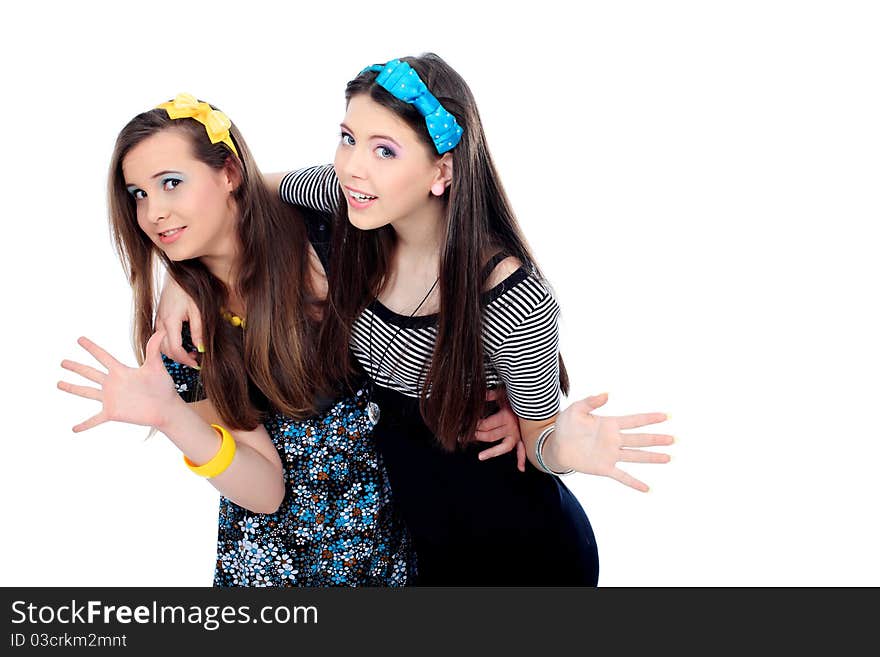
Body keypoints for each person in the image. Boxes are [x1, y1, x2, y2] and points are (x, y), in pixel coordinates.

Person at [158, 55, 674, 585]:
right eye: (347, 137)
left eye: (384, 150)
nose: (352, 164)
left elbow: (537, 440)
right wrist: (178, 282)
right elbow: (237, 199)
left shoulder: (504, 292)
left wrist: (563, 445)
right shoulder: (347, 202)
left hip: (519, 550)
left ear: (441, 171)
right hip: (417, 550)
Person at [57, 94, 425, 586]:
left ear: (229, 173)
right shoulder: (184, 336)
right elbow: (265, 490)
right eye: (138, 194)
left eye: (170, 183)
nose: (154, 212)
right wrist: (172, 417)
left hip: (393, 549)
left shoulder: (327, 231)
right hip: (274, 574)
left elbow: (399, 194)